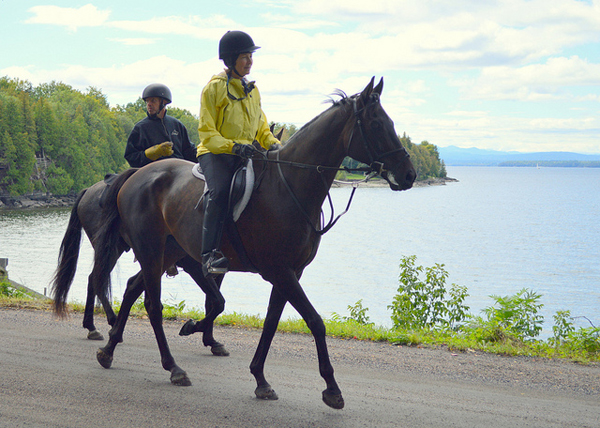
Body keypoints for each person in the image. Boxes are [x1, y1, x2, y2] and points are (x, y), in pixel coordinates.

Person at [197, 30, 280, 276]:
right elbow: (207, 134)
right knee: (220, 192)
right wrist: (233, 146)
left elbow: (262, 128)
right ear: (231, 59)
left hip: (246, 153)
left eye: (251, 57)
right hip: (215, 154)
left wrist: (274, 145)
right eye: (245, 57)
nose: (250, 61)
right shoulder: (213, 89)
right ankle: (209, 255)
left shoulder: (253, 91)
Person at [124, 83, 197, 168]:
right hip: (154, 173)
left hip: (179, 170)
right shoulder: (140, 128)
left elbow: (189, 152)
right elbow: (130, 157)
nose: (149, 104)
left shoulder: (177, 125)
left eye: (153, 100)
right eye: (147, 101)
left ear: (164, 102)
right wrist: (150, 154)